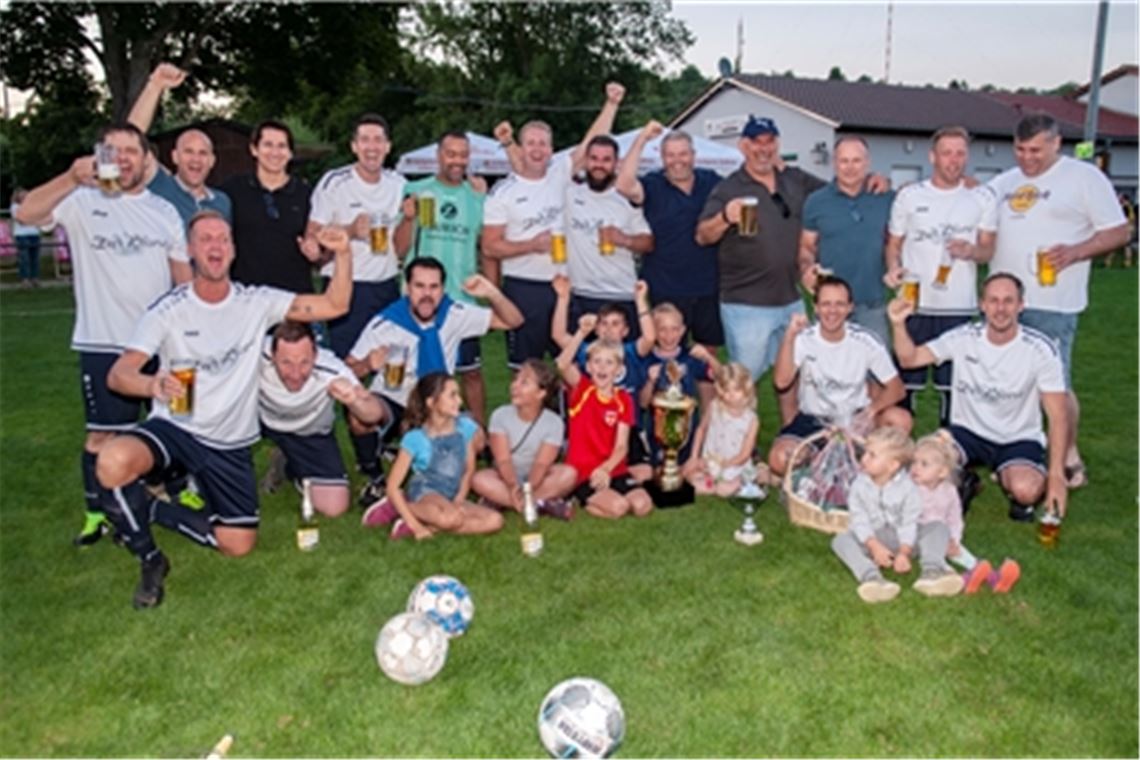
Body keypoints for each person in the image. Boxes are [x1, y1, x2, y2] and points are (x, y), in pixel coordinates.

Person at [92, 214, 354, 609]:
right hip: (177, 426)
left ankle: (154, 508)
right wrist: (151, 385)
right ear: (191, 250)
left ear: (232, 250)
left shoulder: (256, 302)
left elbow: (336, 304)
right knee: (112, 461)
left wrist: (345, 253)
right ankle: (150, 559)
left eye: (223, 239)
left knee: (239, 544)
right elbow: (119, 374)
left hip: (231, 441)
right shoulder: (169, 310)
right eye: (205, 239)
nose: (215, 247)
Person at [15, 123, 192, 547]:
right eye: (114, 150)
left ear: (146, 159)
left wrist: (189, 331)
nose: (124, 158)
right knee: (103, 435)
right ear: (100, 156)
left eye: (132, 150)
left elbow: (182, 277)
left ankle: (176, 489)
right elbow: (25, 213)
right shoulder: (80, 202)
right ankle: (98, 512)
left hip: (160, 342)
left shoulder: (163, 211)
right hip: (104, 342)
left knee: (177, 419)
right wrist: (70, 177)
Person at [978, 113, 1128, 490]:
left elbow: (1120, 231)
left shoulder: (1083, 178)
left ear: (1056, 143)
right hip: (1004, 304)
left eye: (1036, 151)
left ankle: (1069, 456)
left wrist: (1076, 252)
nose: (1027, 158)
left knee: (1054, 384)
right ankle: (1016, 452)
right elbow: (972, 200)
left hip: (1053, 302)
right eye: (1020, 149)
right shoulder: (1005, 182)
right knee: (1011, 381)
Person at [889, 272, 1070, 523]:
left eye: (1008, 301)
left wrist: (1057, 476)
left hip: (1017, 437)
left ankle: (1012, 486)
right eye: (993, 301)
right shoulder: (964, 337)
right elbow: (910, 359)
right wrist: (898, 323)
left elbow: (1059, 416)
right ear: (982, 305)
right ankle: (966, 481)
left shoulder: (1040, 349)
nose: (1000, 308)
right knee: (921, 465)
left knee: (1025, 490)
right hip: (966, 432)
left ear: (1021, 305)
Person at [305, 114, 414, 502]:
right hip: (345, 290)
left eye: (378, 141)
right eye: (364, 140)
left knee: (391, 372)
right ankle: (367, 471)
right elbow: (313, 244)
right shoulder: (334, 182)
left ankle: (385, 443)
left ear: (387, 146)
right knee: (350, 374)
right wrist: (351, 231)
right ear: (354, 146)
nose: (371, 147)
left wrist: (410, 221)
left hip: (386, 288)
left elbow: (400, 249)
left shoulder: (398, 184)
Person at [482, 81, 625, 370]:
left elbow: (592, 142)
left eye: (543, 143)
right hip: (524, 288)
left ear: (551, 148)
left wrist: (611, 105)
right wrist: (531, 245)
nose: (537, 149)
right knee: (526, 369)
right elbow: (489, 246)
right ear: (521, 148)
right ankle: (528, 416)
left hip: (563, 285)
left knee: (571, 363)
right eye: (531, 143)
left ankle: (565, 416)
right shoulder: (502, 192)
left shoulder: (560, 173)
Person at [696, 115, 827, 388]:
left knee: (794, 376)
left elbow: (834, 194)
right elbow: (702, 235)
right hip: (746, 305)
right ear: (743, 146)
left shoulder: (794, 179)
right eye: (756, 142)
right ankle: (738, 431)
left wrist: (871, 181)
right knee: (742, 384)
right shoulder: (729, 187)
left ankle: (791, 430)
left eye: (770, 142)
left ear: (777, 144)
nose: (764, 149)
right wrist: (725, 216)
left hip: (791, 299)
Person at [346, 258, 523, 453]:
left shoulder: (454, 314)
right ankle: (373, 474)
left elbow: (513, 321)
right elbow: (347, 370)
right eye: (419, 286)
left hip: (437, 400)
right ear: (407, 288)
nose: (427, 294)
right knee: (360, 414)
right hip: (394, 399)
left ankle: (423, 449)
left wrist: (492, 293)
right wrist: (367, 365)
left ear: (443, 289)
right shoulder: (386, 323)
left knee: (478, 439)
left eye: (434, 287)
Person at [883, 126, 992, 427]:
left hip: (958, 307)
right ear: (933, 156)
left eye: (960, 153)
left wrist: (971, 251)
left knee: (955, 391)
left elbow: (988, 250)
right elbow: (894, 245)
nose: (953, 160)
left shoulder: (982, 198)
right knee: (905, 389)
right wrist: (893, 268)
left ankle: (951, 459)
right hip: (914, 306)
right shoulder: (909, 196)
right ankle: (898, 458)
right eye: (947, 153)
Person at [767, 277, 910, 478]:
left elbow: (896, 388)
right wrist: (789, 336)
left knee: (899, 419)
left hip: (856, 418)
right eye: (825, 304)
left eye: (839, 304)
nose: (832, 311)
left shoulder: (866, 341)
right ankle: (820, 466)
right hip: (815, 420)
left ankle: (871, 468)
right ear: (815, 307)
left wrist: (871, 411)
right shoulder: (803, 339)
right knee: (779, 459)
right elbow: (781, 382)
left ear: (850, 308)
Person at [403, 131, 490, 425]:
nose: (457, 160)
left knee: (472, 372)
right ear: (439, 156)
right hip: (424, 300)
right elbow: (398, 247)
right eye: (451, 153)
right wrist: (407, 218)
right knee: (421, 374)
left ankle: (479, 437)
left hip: (461, 298)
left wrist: (489, 293)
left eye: (463, 154)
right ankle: (417, 432)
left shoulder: (477, 197)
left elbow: (486, 247)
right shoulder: (415, 190)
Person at [615, 120, 724, 352]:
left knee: (706, 356)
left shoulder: (711, 181)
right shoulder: (653, 184)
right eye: (670, 155)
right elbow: (624, 185)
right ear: (662, 158)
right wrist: (642, 139)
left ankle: (698, 390)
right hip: (665, 287)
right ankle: (669, 391)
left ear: (693, 155)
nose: (677, 161)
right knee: (665, 356)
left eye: (683, 154)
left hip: (708, 285)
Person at [258, 321, 385, 517]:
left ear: (316, 356)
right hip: (260, 421)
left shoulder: (332, 369)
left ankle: (289, 464)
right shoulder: (254, 351)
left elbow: (374, 414)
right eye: (286, 363)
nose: (295, 373)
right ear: (273, 355)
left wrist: (353, 401)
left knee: (335, 507)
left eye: (304, 362)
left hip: (309, 431)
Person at [831, 427, 965, 604]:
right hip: (873, 537)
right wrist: (874, 547)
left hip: (905, 538)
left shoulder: (908, 488)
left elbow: (909, 522)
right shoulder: (858, 486)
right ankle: (871, 577)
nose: (864, 459)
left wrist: (904, 551)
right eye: (865, 453)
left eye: (872, 455)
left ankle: (932, 572)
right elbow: (859, 519)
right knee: (840, 540)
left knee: (937, 527)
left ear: (892, 465)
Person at [381, 373, 504, 541]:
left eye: (458, 394)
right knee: (452, 518)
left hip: (451, 495)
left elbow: (469, 469)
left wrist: (459, 500)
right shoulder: (415, 438)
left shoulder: (465, 429)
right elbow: (392, 486)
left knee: (495, 520)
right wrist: (416, 529)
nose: (460, 401)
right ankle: (405, 509)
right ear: (431, 403)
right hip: (426, 492)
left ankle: (432, 526)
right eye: (452, 395)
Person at [799, 136, 895, 345]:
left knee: (877, 373)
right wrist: (807, 268)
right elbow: (807, 246)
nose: (850, 168)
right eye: (844, 161)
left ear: (867, 163)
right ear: (834, 163)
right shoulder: (816, 201)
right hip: (830, 306)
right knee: (827, 370)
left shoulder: (886, 198)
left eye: (856, 161)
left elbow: (914, 195)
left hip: (872, 303)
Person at [557, 322, 654, 520]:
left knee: (643, 506)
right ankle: (579, 495)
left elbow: (621, 446)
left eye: (609, 363)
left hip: (612, 467)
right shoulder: (581, 390)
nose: (602, 367)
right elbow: (561, 364)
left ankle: (604, 495)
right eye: (597, 362)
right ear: (589, 366)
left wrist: (606, 469)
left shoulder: (623, 399)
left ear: (618, 370)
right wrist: (581, 332)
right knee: (619, 508)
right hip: (585, 471)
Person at [562, 134, 654, 336]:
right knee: (584, 363)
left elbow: (648, 242)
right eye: (594, 158)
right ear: (586, 161)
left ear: (616, 163)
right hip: (580, 293)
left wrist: (624, 239)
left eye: (606, 160)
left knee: (624, 362)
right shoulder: (569, 194)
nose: (599, 165)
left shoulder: (627, 197)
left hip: (621, 294)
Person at [911, 432, 1021, 594]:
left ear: (942, 472)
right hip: (916, 537)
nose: (915, 468)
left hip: (943, 536)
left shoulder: (949, 491)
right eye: (914, 462)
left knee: (959, 552)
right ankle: (956, 579)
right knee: (936, 556)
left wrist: (954, 539)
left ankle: (991, 577)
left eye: (924, 464)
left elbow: (955, 518)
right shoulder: (910, 488)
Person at [127, 62, 233, 225]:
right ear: (175, 156)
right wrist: (155, 85)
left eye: (203, 153)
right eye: (188, 151)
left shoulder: (222, 202)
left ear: (212, 161)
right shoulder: (160, 185)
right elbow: (131, 139)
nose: (195, 159)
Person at [470, 359, 577, 519]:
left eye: (524, 382)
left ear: (541, 393)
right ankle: (542, 504)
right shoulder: (500, 415)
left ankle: (502, 502)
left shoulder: (553, 422)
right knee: (479, 479)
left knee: (569, 474)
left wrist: (530, 488)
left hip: (538, 476)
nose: (515, 386)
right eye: (516, 380)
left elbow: (542, 463)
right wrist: (513, 485)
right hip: (505, 475)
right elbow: (503, 460)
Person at [221, 120, 315, 293]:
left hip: (293, 302)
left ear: (290, 153)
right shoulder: (231, 190)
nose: (275, 152)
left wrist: (317, 253)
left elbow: (321, 251)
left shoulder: (308, 195)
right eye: (268, 145)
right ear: (254, 149)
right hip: (245, 299)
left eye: (282, 146)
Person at [638, 301, 719, 468]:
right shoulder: (646, 360)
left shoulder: (690, 358)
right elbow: (642, 403)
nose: (669, 336)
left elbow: (725, 379)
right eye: (663, 329)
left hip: (688, 431)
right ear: (653, 331)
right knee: (661, 473)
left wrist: (709, 358)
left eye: (674, 329)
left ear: (683, 330)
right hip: (658, 434)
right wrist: (650, 381)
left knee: (689, 472)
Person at [681, 362, 758, 496]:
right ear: (720, 390)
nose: (731, 395)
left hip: (734, 465)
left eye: (737, 390)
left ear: (746, 389)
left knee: (723, 490)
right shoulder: (714, 406)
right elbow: (701, 430)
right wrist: (694, 457)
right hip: (710, 461)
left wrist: (727, 464)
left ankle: (743, 479)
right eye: (727, 390)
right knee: (690, 477)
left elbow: (745, 454)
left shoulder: (751, 419)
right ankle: (711, 481)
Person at [9, 188, 41, 287]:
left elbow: (39, 216)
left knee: (35, 258)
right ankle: (25, 279)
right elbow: (21, 219)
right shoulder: (15, 207)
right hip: (22, 234)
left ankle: (35, 278)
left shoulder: (33, 205)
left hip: (34, 233)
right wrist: (31, 218)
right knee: (24, 258)